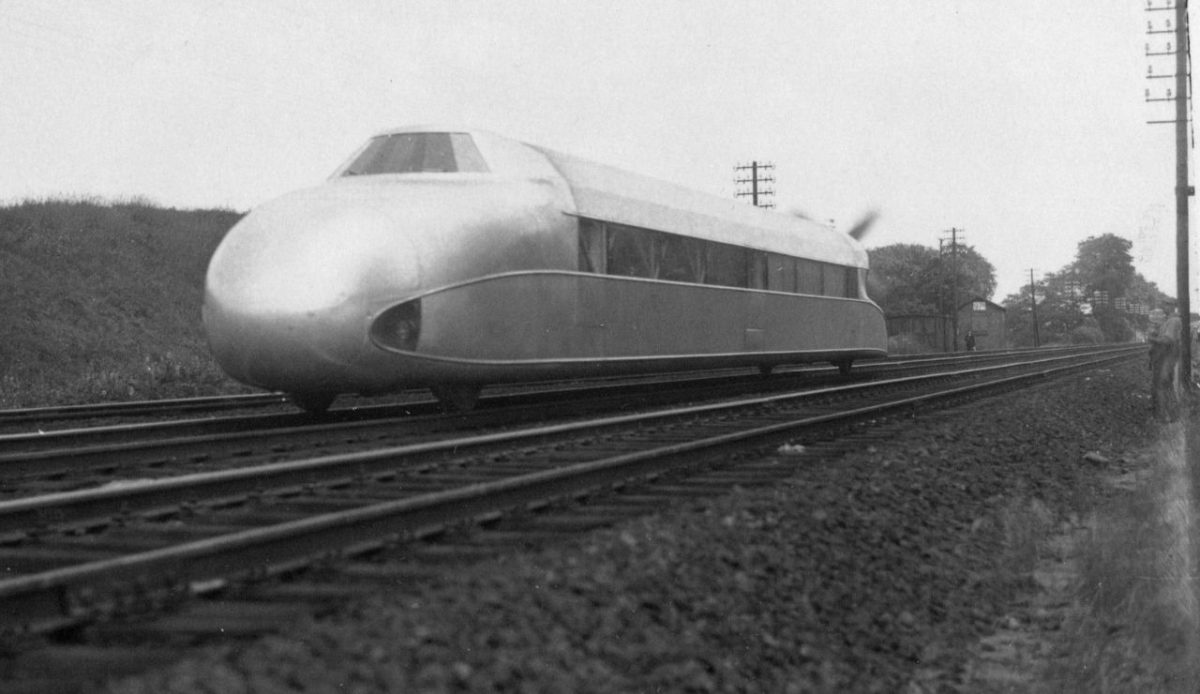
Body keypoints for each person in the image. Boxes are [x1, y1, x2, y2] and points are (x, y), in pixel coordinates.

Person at [1149, 303, 1182, 419]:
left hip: (1168, 358)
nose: (1164, 309)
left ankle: (1163, 416)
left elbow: (1168, 340)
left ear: (1172, 308)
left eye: (1166, 306)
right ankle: (1171, 414)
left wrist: (1153, 339)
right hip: (1166, 358)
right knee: (1165, 385)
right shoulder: (1170, 321)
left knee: (1162, 385)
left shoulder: (1173, 321)